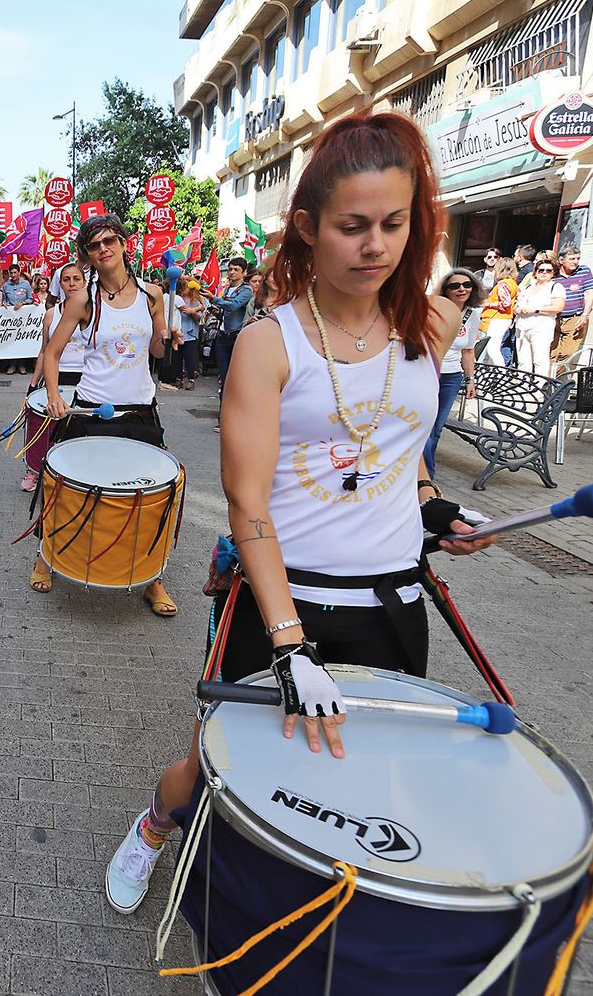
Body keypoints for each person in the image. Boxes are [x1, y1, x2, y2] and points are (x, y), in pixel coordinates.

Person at [102, 112, 497, 917]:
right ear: (310, 229)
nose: (376, 246)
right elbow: (247, 503)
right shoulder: (268, 343)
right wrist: (289, 644)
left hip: (393, 606)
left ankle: (307, 920)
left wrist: (431, 506)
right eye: (353, 227)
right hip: (284, 605)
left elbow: (399, 448)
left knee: (357, 784)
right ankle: (153, 825)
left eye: (394, 223)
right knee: (219, 764)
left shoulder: (435, 325)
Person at [32, 216, 177, 617]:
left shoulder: (152, 295)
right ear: (89, 256)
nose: (103, 249)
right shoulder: (83, 300)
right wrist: (52, 394)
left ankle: (152, 577)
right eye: (94, 245)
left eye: (109, 240)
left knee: (148, 498)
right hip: (92, 410)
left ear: (124, 243)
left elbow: (158, 353)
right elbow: (53, 353)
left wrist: (166, 338)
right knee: (63, 490)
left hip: (139, 410)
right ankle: (45, 556)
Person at [22, 262, 88, 492]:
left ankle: (73, 476)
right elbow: (45, 351)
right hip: (55, 378)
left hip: (84, 380)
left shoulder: (94, 312)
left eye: (76, 279)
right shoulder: (51, 314)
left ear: (84, 282)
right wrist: (32, 386)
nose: (71, 283)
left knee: (77, 431)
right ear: (59, 284)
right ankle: (34, 470)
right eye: (66, 279)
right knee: (42, 427)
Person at [424, 269, 482, 476]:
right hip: (428, 373)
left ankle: (425, 476)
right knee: (424, 428)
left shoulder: (473, 316)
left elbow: (468, 351)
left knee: (437, 429)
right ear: (445, 291)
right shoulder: (433, 311)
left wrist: (470, 380)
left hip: (452, 376)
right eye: (455, 286)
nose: (461, 289)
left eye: (467, 285)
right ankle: (425, 477)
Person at [513, 251, 563, 377]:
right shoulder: (529, 286)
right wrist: (517, 309)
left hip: (542, 327)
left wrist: (536, 310)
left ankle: (539, 391)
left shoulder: (556, 287)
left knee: (540, 360)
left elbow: (558, 306)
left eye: (548, 270)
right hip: (522, 326)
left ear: (553, 273)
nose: (544, 273)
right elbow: (517, 303)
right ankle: (522, 388)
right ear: (535, 272)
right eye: (541, 270)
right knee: (523, 361)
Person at [550, 245, 593, 367]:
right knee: (550, 352)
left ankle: (553, 379)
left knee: (567, 353)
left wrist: (585, 315)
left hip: (574, 317)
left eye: (577, 259)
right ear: (561, 260)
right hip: (554, 317)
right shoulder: (552, 274)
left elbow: (589, 293)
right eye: (571, 259)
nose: (575, 262)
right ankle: (546, 381)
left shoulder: (583, 271)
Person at [212, 258, 253, 393]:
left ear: (244, 273)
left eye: (236, 269)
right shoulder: (227, 289)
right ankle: (223, 410)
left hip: (236, 335)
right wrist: (212, 309)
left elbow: (233, 306)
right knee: (224, 376)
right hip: (222, 335)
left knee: (235, 376)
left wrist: (213, 298)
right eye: (230, 269)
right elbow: (223, 314)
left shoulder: (246, 290)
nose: (232, 272)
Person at [478, 256, 519, 367]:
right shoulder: (513, 283)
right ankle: (490, 375)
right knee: (492, 348)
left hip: (497, 318)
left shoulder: (503, 284)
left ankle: (501, 372)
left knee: (492, 348)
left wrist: (488, 303)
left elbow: (505, 303)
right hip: (503, 319)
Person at [175, 277, 205, 390]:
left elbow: (198, 319)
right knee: (178, 357)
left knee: (189, 357)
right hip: (178, 331)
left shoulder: (196, 301)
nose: (184, 288)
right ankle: (178, 379)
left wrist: (192, 311)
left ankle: (191, 380)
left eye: (186, 286)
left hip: (190, 333)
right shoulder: (177, 298)